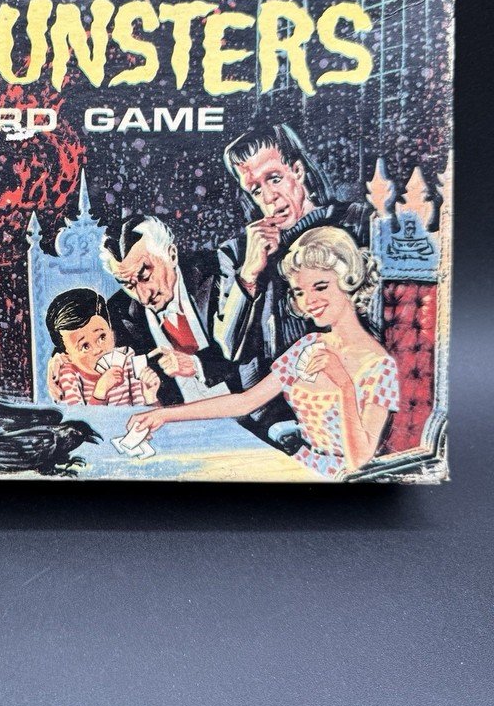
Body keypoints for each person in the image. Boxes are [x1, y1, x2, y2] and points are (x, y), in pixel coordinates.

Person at [128, 227, 399, 478]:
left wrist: (344, 385)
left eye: (320, 286)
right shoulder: (310, 344)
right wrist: (163, 415)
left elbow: (359, 459)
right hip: (294, 465)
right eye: (299, 292)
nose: (309, 301)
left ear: (348, 280)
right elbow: (245, 402)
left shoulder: (381, 366)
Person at [214, 123, 369, 434]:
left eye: (274, 178)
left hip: (341, 408)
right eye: (256, 190)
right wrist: (249, 274)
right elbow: (227, 350)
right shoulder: (238, 252)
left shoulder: (355, 223)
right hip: (267, 417)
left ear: (297, 170)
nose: (269, 197)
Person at [100, 215, 238, 405]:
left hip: (242, 409)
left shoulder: (218, 272)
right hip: (176, 418)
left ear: (171, 255)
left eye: (145, 277)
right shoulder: (119, 311)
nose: (143, 297)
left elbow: (249, 353)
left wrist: (198, 365)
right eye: (128, 285)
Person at [46, 288, 161, 406]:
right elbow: (75, 416)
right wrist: (100, 392)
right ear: (67, 355)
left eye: (102, 337)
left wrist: (150, 398)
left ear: (111, 330)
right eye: (85, 346)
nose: (98, 349)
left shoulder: (126, 359)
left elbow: (140, 408)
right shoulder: (69, 375)